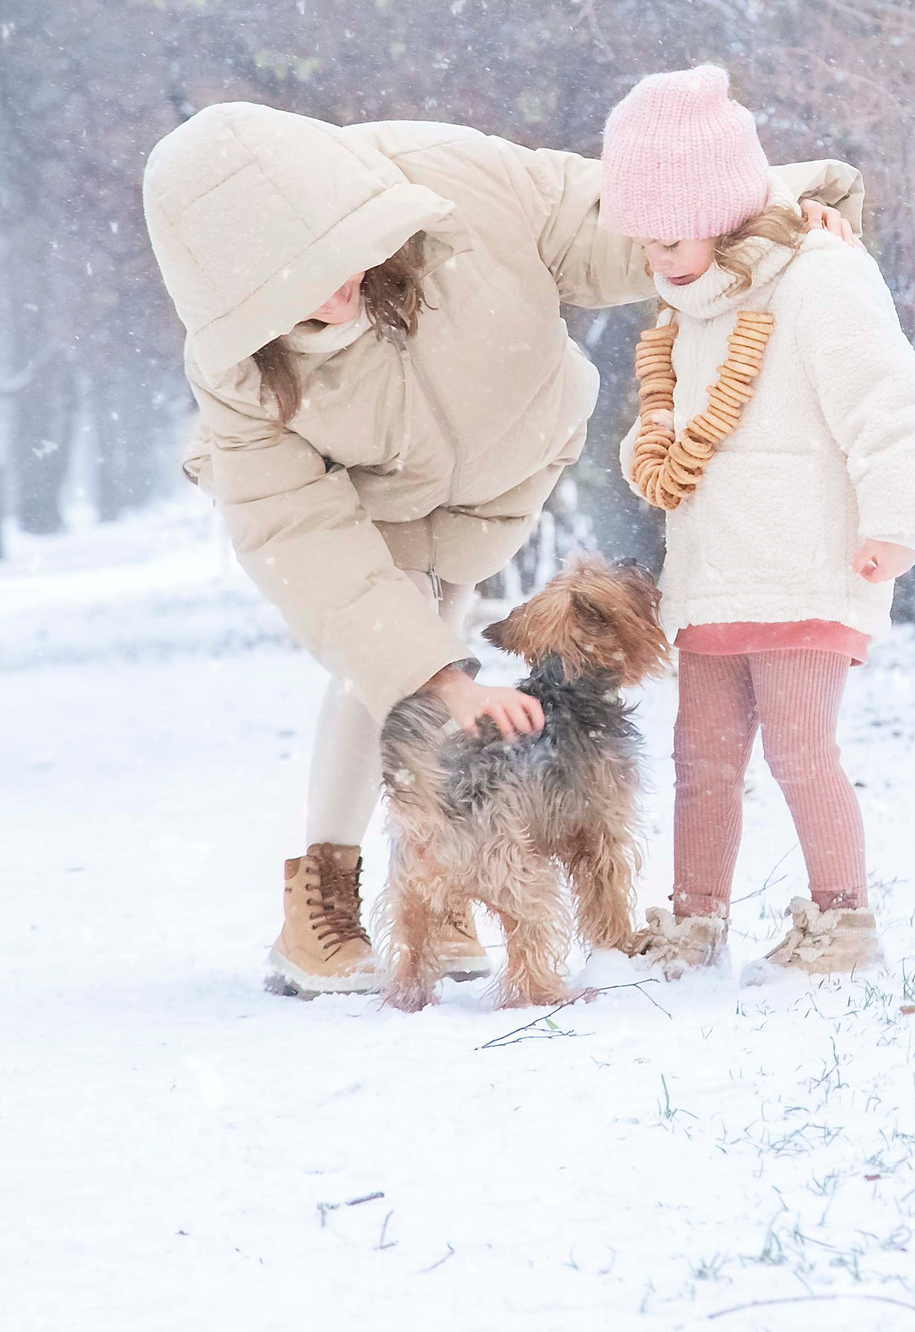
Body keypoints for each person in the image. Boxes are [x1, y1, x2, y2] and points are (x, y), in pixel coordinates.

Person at [140, 98, 860, 996]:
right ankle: (322, 896)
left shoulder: (456, 181)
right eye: (296, 298)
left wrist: (778, 218)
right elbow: (311, 550)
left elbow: (625, 214)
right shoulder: (239, 376)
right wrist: (441, 676)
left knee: (437, 635)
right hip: (369, 495)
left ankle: (443, 879)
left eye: (337, 263)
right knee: (396, 656)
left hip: (502, 468)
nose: (332, 297)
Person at [602, 67, 915, 978]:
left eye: (669, 238)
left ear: (722, 211)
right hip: (714, 569)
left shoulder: (821, 275)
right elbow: (683, 416)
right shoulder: (688, 303)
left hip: (805, 560)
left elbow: (887, 401)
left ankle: (843, 921)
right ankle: (695, 920)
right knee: (701, 758)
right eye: (643, 243)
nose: (657, 259)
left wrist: (897, 520)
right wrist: (653, 445)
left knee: (801, 747)